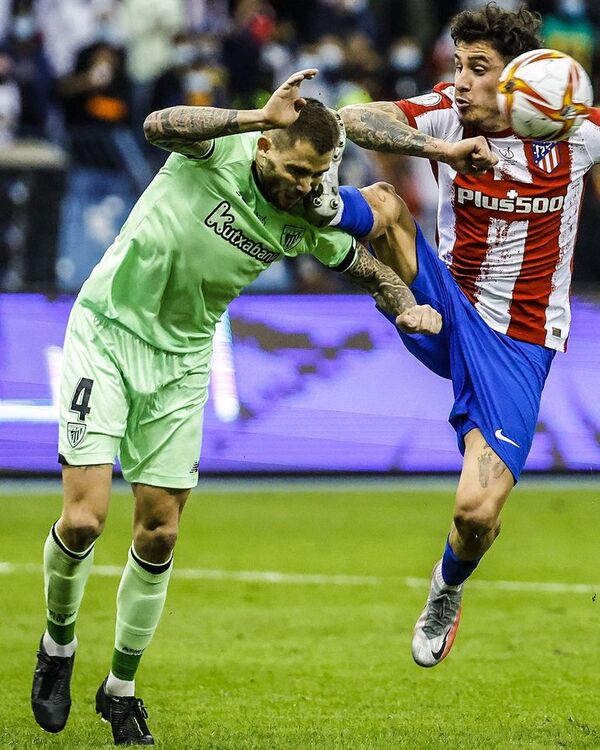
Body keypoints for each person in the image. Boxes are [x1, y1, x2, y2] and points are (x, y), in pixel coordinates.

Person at [30, 68, 442, 746]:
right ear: (267, 148)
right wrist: (252, 117)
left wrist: (407, 307)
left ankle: (121, 688)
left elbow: (363, 266)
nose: (308, 187)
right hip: (106, 332)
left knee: (159, 532)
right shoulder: (219, 148)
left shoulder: (302, 215)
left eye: (319, 176)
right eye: (301, 170)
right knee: (84, 519)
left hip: (185, 362)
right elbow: (155, 124)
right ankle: (58, 647)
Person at [332, 2, 600, 668]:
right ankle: (322, 210)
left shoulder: (579, 134)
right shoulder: (447, 116)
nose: (460, 80)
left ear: (519, 81)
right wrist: (438, 148)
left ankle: (447, 587)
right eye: (456, 64)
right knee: (384, 204)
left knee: (477, 513)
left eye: (478, 69)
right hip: (447, 304)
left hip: (521, 343)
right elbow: (355, 118)